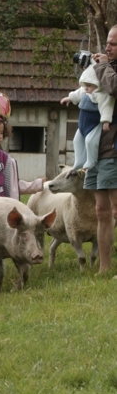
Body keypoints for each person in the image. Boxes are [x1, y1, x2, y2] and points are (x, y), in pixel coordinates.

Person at [88, 26, 117, 274]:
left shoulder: (108, 70)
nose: (107, 48)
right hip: (97, 147)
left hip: (115, 148)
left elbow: (114, 88)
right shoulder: (105, 68)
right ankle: (105, 268)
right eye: (107, 43)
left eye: (113, 44)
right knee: (101, 211)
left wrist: (103, 66)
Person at [60, 61, 115, 170]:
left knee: (90, 142)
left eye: (89, 86)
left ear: (97, 84)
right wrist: (70, 98)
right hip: (82, 124)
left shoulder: (102, 95)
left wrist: (106, 121)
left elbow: (107, 107)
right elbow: (79, 92)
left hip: (94, 124)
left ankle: (91, 161)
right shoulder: (86, 89)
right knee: (76, 141)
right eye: (85, 85)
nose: (85, 88)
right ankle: (79, 161)